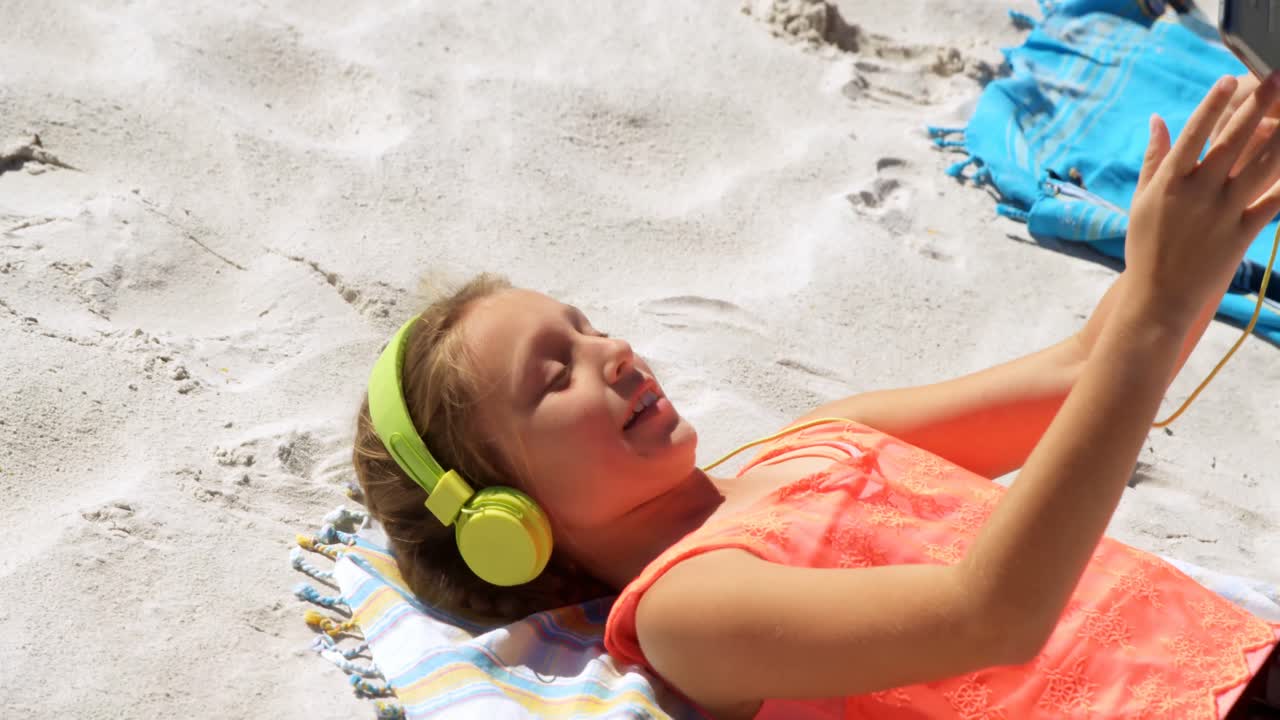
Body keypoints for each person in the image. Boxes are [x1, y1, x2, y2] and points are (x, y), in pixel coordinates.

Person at [352, 74, 1280, 718]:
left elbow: (1081, 372)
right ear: (508, 524)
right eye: (556, 374)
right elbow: (989, 616)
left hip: (1247, 653)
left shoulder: (818, 438)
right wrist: (1157, 307)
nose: (612, 351)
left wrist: (1217, 214)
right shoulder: (682, 612)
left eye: (587, 326)